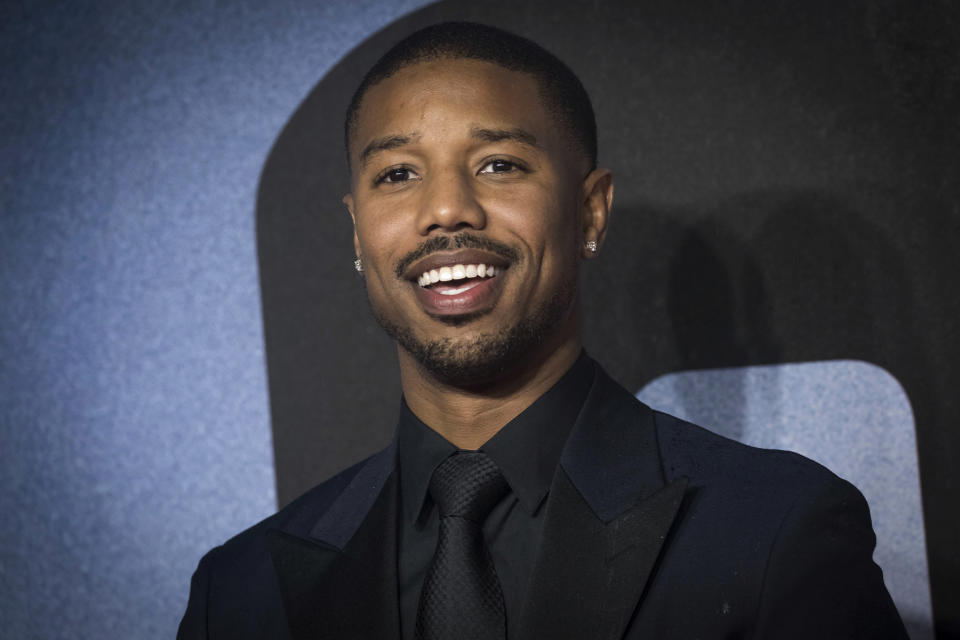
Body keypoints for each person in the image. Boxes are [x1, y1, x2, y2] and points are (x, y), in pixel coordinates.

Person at [178, 21, 907, 639]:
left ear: (591, 211)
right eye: (398, 175)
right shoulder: (241, 593)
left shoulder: (775, 531)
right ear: (358, 232)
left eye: (498, 164)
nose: (447, 210)